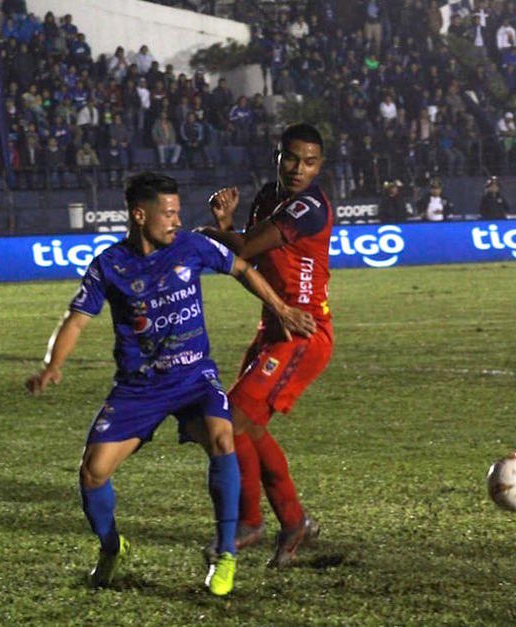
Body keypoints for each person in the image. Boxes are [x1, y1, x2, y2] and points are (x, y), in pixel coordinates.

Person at [25, 172, 315, 596]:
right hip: (139, 387)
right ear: (140, 215)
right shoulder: (110, 264)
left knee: (222, 436)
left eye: (179, 212)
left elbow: (241, 269)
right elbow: (76, 319)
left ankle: (225, 553)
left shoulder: (192, 247)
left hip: (194, 377)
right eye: (169, 213)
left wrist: (281, 309)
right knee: (92, 473)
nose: (177, 221)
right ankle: (110, 548)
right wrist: (52, 365)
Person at [197, 123, 333, 567]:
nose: (299, 168)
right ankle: (290, 522)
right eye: (292, 158)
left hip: (303, 332)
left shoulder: (309, 206)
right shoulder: (268, 198)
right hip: (275, 327)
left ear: (320, 165)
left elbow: (245, 247)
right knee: (246, 426)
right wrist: (223, 228)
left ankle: (252, 522)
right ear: (278, 156)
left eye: (309, 161)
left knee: (232, 418)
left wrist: (211, 235)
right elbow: (248, 260)